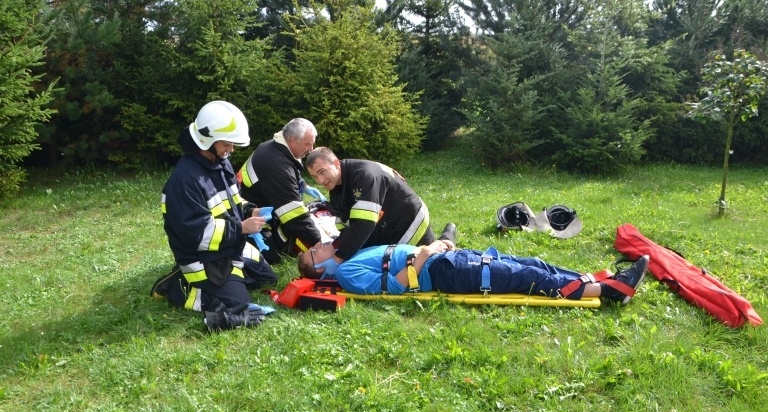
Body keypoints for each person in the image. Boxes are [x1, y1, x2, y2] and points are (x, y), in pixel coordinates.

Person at [152, 100, 278, 329]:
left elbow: (234, 203)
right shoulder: (184, 181)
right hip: (203, 258)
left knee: (268, 278)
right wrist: (241, 228)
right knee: (238, 307)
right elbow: (197, 235)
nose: (231, 149)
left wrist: (252, 211)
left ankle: (228, 279)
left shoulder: (220, 162)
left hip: (230, 247)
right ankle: (180, 285)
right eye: (228, 143)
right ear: (207, 140)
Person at [298, 239, 650, 305]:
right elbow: (393, 287)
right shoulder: (346, 276)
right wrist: (424, 254)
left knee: (533, 265)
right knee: (529, 279)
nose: (323, 243)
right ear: (320, 267)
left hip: (446, 260)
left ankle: (595, 280)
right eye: (317, 250)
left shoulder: (354, 255)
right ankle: (613, 291)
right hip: (449, 273)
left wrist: (435, 248)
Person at [305, 147, 453, 277]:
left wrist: (339, 257)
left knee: (436, 263)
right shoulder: (336, 187)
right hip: (384, 226)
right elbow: (346, 225)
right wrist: (336, 246)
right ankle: (447, 237)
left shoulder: (364, 175)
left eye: (322, 172)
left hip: (409, 222)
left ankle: (448, 237)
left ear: (336, 163)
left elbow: (363, 224)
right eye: (314, 177)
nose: (320, 181)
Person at [237, 118, 327, 262]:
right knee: (272, 254)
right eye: (308, 144)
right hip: (250, 214)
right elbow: (294, 216)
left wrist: (303, 185)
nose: (311, 149)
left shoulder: (277, 147)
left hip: (262, 202)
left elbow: (292, 171)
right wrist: (322, 242)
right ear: (292, 140)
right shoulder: (276, 165)